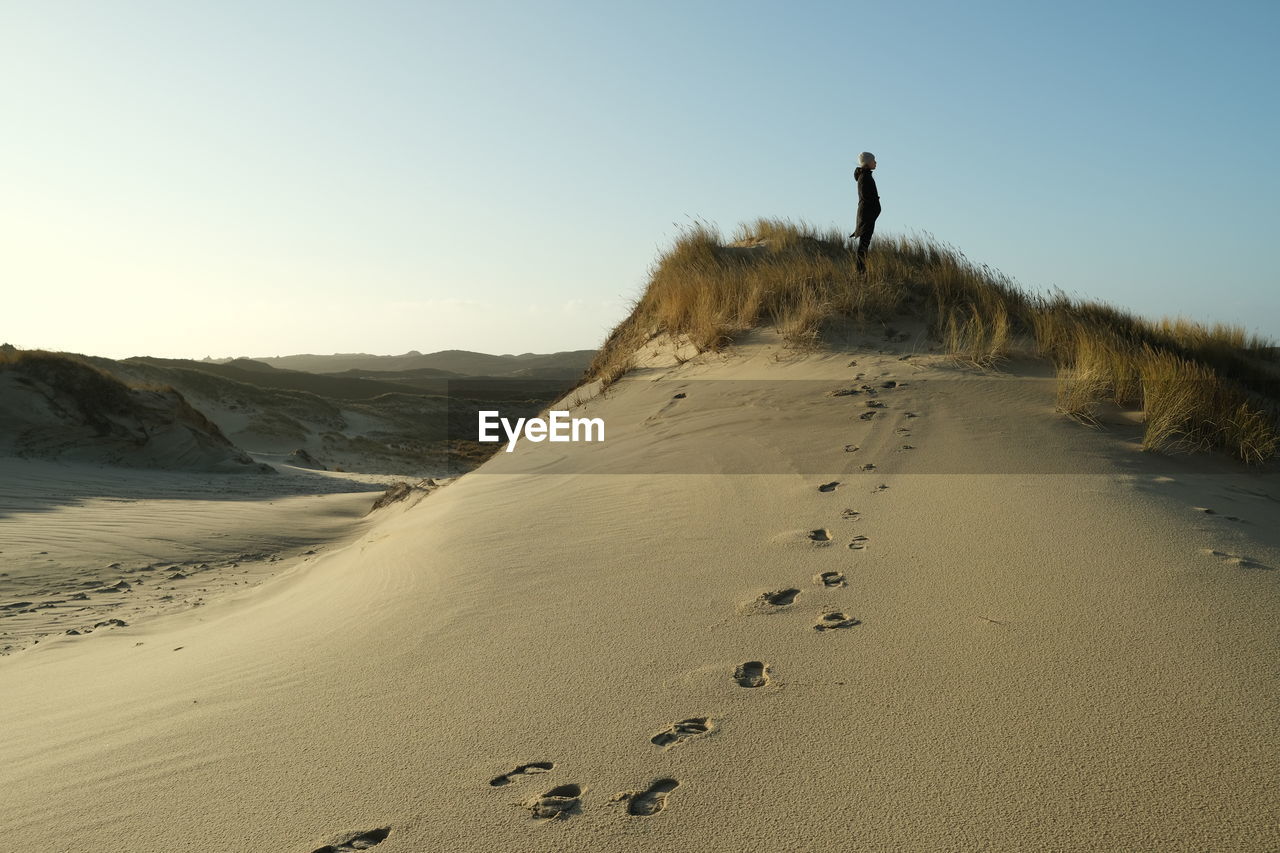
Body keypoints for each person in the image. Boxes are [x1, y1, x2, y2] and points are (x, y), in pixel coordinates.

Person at [850, 152, 881, 273]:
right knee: (863, 245)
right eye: (874, 160)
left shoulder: (866, 176)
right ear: (867, 163)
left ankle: (861, 271)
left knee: (864, 244)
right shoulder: (864, 177)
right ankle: (860, 272)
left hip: (868, 215)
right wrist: (874, 208)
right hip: (866, 215)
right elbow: (866, 198)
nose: (876, 162)